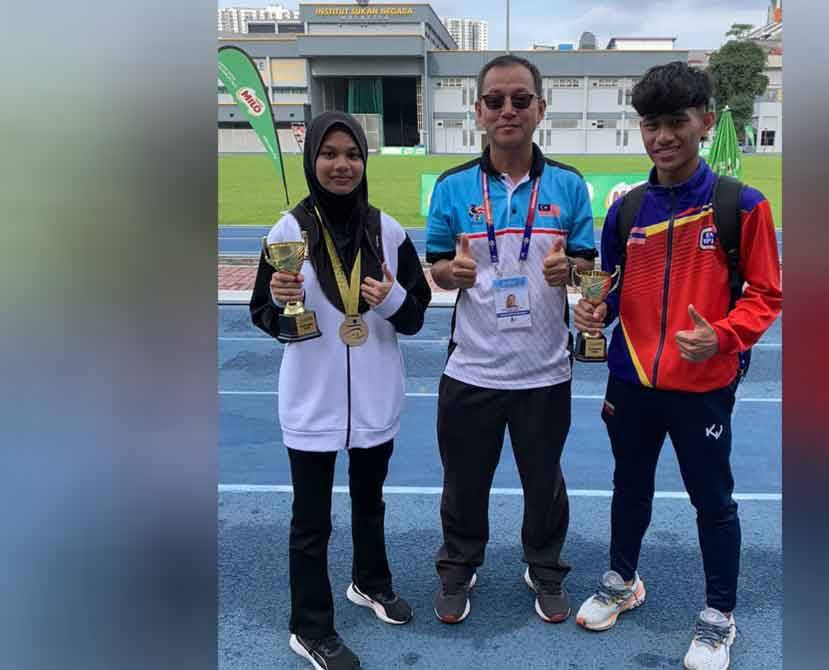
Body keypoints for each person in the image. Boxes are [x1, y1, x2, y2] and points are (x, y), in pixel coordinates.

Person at [572, 63, 781, 670]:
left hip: (703, 385)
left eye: (675, 122)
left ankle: (719, 615)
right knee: (628, 487)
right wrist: (594, 312)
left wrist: (721, 335)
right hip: (631, 381)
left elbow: (766, 295)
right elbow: (609, 288)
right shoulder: (627, 208)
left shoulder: (740, 205)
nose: (662, 136)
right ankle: (623, 580)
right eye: (650, 124)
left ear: (705, 122)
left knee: (712, 500)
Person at [250, 111, 431, 670]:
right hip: (312, 403)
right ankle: (310, 627)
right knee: (311, 521)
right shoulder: (287, 232)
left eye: (351, 153)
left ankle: (369, 582)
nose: (341, 164)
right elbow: (263, 313)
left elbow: (418, 315)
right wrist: (282, 303)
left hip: (375, 399)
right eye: (329, 153)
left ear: (364, 161)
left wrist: (392, 299)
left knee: (370, 501)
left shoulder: (389, 231)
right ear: (313, 161)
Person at [424, 54, 597, 625]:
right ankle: (458, 568)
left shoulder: (569, 186)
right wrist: (452, 274)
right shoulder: (451, 188)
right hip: (472, 369)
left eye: (520, 99)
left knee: (544, 485)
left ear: (540, 109)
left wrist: (568, 271)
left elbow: (586, 269)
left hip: (545, 372)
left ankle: (544, 568)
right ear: (477, 111)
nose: (507, 110)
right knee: (463, 483)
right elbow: (437, 268)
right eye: (495, 100)